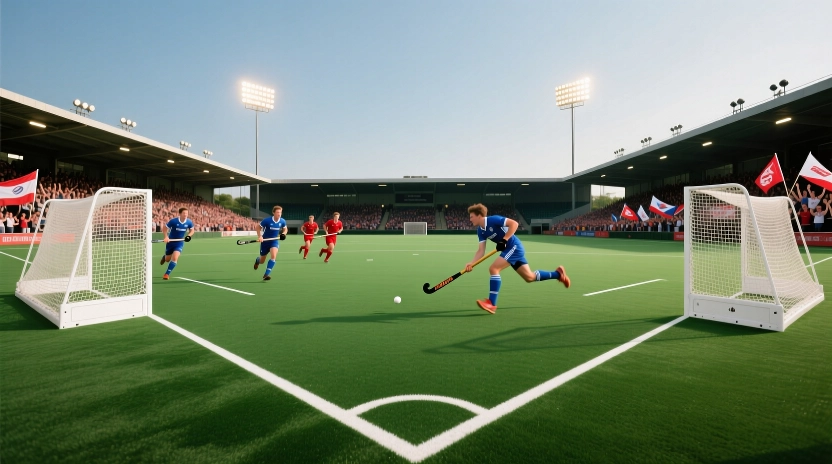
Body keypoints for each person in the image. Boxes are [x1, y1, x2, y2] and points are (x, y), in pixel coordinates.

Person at [465, 203, 570, 314]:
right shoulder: (480, 231)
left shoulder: (493, 220)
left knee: (494, 269)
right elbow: (481, 251)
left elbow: (514, 224)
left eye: (471, 217)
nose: (470, 219)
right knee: (529, 277)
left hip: (514, 247)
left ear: (479, 216)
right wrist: (472, 263)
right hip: (508, 250)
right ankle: (558, 274)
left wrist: (504, 240)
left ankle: (492, 303)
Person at [160, 207, 195, 280]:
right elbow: (165, 228)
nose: (185, 214)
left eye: (187, 213)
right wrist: (166, 237)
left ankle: (167, 274)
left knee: (175, 258)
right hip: (170, 242)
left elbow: (192, 231)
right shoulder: (173, 221)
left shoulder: (189, 222)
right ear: (180, 214)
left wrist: (188, 236)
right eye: (184, 213)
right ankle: (164, 257)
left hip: (179, 242)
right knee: (167, 259)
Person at [255, 205, 287, 281]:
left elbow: (285, 229)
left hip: (274, 241)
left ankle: (266, 274)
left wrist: (283, 234)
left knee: (273, 256)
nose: (279, 214)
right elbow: (258, 227)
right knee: (262, 261)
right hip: (265, 241)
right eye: (277, 212)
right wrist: (260, 236)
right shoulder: (267, 220)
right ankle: (258, 260)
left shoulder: (282, 221)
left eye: (280, 212)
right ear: (273, 213)